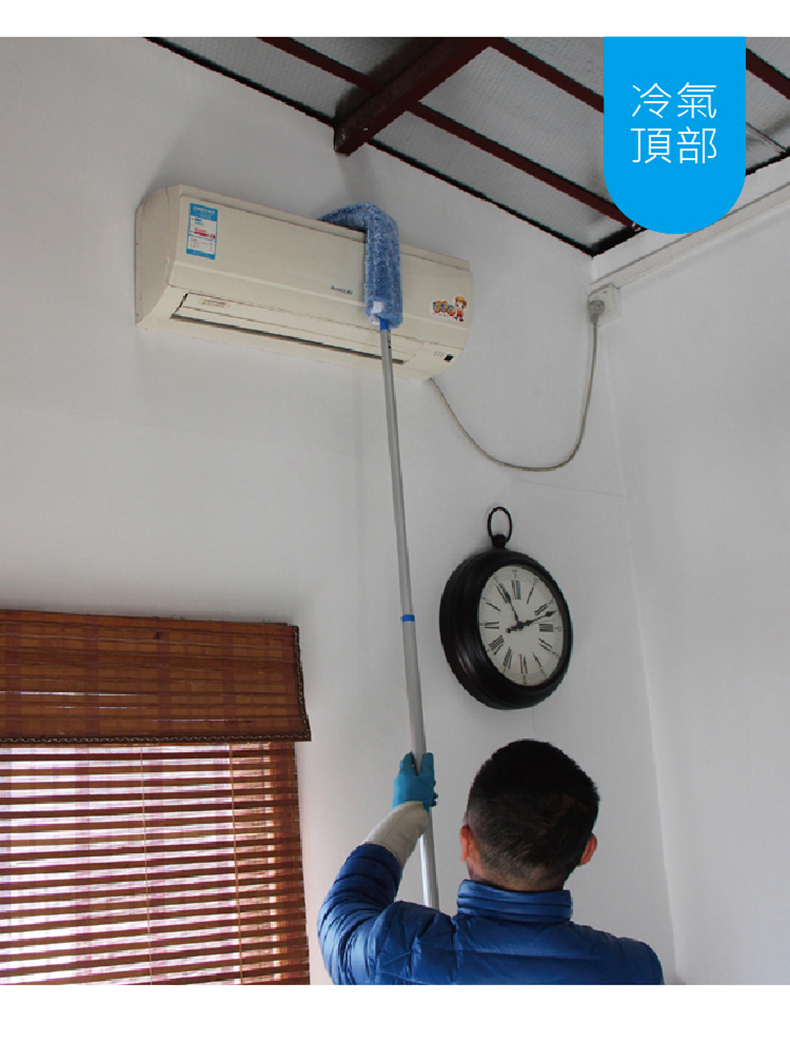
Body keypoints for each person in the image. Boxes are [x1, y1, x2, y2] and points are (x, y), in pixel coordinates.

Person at [318, 739, 663, 985]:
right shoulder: (636, 972)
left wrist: (407, 815)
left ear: (467, 843)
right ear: (586, 850)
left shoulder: (399, 952)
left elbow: (339, 923)